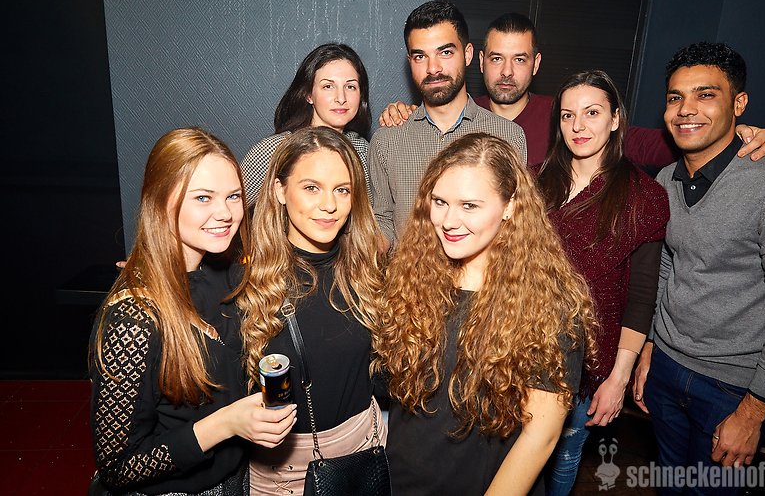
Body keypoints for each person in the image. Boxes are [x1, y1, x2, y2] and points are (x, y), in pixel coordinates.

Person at [374, 133, 596, 495]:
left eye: (469, 205)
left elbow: (540, 436)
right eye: (440, 202)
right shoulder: (412, 281)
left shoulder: (548, 305)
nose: (449, 220)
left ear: (510, 206)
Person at [90, 127, 296, 495]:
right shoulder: (133, 318)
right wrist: (225, 424)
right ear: (161, 201)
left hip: (235, 482)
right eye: (203, 197)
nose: (225, 213)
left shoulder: (225, 275)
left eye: (233, 196)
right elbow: (118, 467)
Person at [633, 42, 765, 495]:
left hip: (731, 389)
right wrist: (649, 347)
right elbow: (666, 269)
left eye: (705, 94)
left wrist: (753, 412)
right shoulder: (665, 181)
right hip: (666, 369)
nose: (686, 109)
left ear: (739, 104)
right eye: (675, 97)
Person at [379, 12, 765, 171]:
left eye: (519, 59)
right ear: (480, 60)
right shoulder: (459, 117)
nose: (506, 72)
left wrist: (736, 136)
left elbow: (662, 143)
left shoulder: (567, 117)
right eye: (498, 59)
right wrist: (405, 113)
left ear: (536, 64)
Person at [534, 71, 670, 495]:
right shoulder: (533, 183)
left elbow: (642, 297)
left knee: (564, 457)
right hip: (520, 349)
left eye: (592, 113)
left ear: (615, 119)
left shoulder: (643, 196)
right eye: (567, 115)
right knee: (508, 454)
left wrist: (618, 379)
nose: (578, 126)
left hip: (589, 362)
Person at [237, 126, 387, 495]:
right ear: (279, 190)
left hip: (366, 453)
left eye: (342, 190)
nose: (329, 205)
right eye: (311, 188)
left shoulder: (366, 271)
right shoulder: (246, 284)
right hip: (284, 474)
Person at [368, 0, 527, 246]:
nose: (433, 68)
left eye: (445, 52)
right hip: (406, 270)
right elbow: (382, 220)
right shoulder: (387, 140)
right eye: (420, 56)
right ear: (410, 62)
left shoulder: (507, 136)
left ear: (468, 54)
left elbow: (514, 225)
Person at [241, 43, 373, 206]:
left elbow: (371, 215)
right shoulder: (274, 150)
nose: (341, 98)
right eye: (328, 86)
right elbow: (231, 204)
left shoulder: (362, 150)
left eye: (350, 87)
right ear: (308, 94)